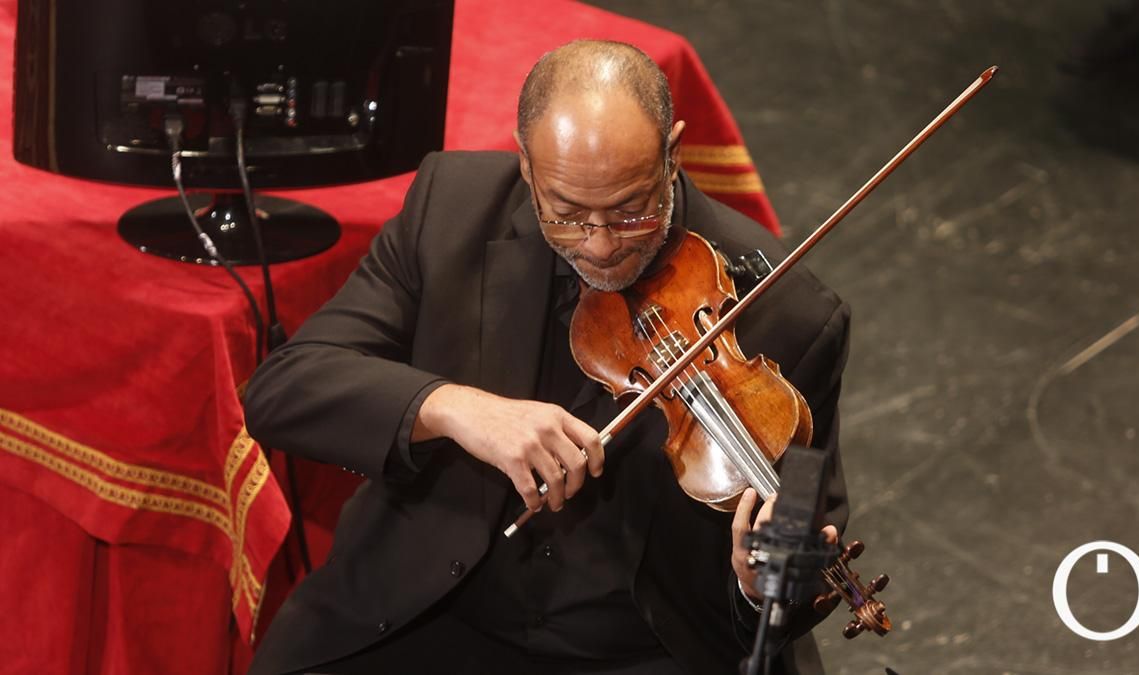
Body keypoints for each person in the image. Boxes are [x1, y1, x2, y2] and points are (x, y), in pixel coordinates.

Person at [243, 39, 851, 675]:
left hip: (641, 649)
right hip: (427, 611)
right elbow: (285, 387)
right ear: (527, 166)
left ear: (672, 154)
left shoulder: (785, 313)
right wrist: (452, 407)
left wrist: (759, 583)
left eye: (631, 212)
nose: (601, 246)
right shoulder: (452, 207)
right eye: (566, 215)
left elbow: (799, 562)